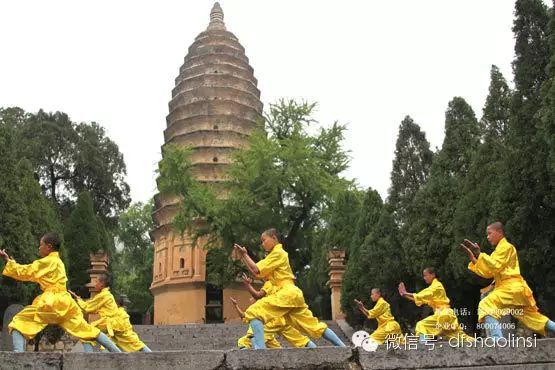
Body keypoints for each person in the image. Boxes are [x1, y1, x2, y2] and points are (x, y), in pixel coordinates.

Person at [0, 233, 121, 352]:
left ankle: (18, 358)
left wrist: (8, 261)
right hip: (65, 303)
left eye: (41, 244)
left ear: (49, 246)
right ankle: (118, 353)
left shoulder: (48, 261)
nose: (39, 247)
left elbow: (27, 272)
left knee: (18, 323)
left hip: (50, 302)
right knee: (86, 330)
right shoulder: (59, 263)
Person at [233, 228, 345, 349]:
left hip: (286, 293)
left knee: (254, 312)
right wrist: (244, 257)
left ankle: (260, 351)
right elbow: (257, 272)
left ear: (274, 238)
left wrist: (244, 255)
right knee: (313, 325)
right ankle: (342, 347)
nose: (262, 244)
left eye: (264, 240)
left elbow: (256, 270)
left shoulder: (278, 253)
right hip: (292, 294)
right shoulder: (276, 256)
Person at [461, 222, 555, 338]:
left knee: (486, 305)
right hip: (514, 289)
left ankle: (498, 342)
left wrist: (480, 254)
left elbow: (495, 266)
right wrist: (475, 259)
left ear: (499, 232)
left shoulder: (506, 247)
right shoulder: (499, 251)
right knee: (534, 319)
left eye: (490, 233)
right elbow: (489, 272)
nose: (488, 237)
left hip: (511, 287)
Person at [70, 273, 151, 352]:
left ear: (102, 284)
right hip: (119, 324)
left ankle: (98, 358)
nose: (94, 284)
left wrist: (78, 300)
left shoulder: (104, 295)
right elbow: (92, 306)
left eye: (96, 281)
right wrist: (79, 300)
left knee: (85, 334)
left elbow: (88, 307)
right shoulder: (107, 295)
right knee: (136, 343)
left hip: (110, 323)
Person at [232, 273, 316, 349]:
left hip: (272, 319)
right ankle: (315, 349)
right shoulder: (284, 284)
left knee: (248, 336)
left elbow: (257, 295)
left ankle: (257, 354)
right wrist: (236, 305)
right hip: (284, 317)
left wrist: (248, 285)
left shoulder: (269, 284)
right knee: (299, 339)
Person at [399, 267, 474, 343]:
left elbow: (423, 295)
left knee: (460, 336)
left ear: (433, 275)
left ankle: (424, 345)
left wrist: (406, 293)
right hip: (439, 315)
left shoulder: (437, 286)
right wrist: (405, 296)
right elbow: (421, 299)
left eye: (425, 275)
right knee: (421, 325)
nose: (424, 278)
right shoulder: (432, 287)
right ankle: (424, 346)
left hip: (445, 315)